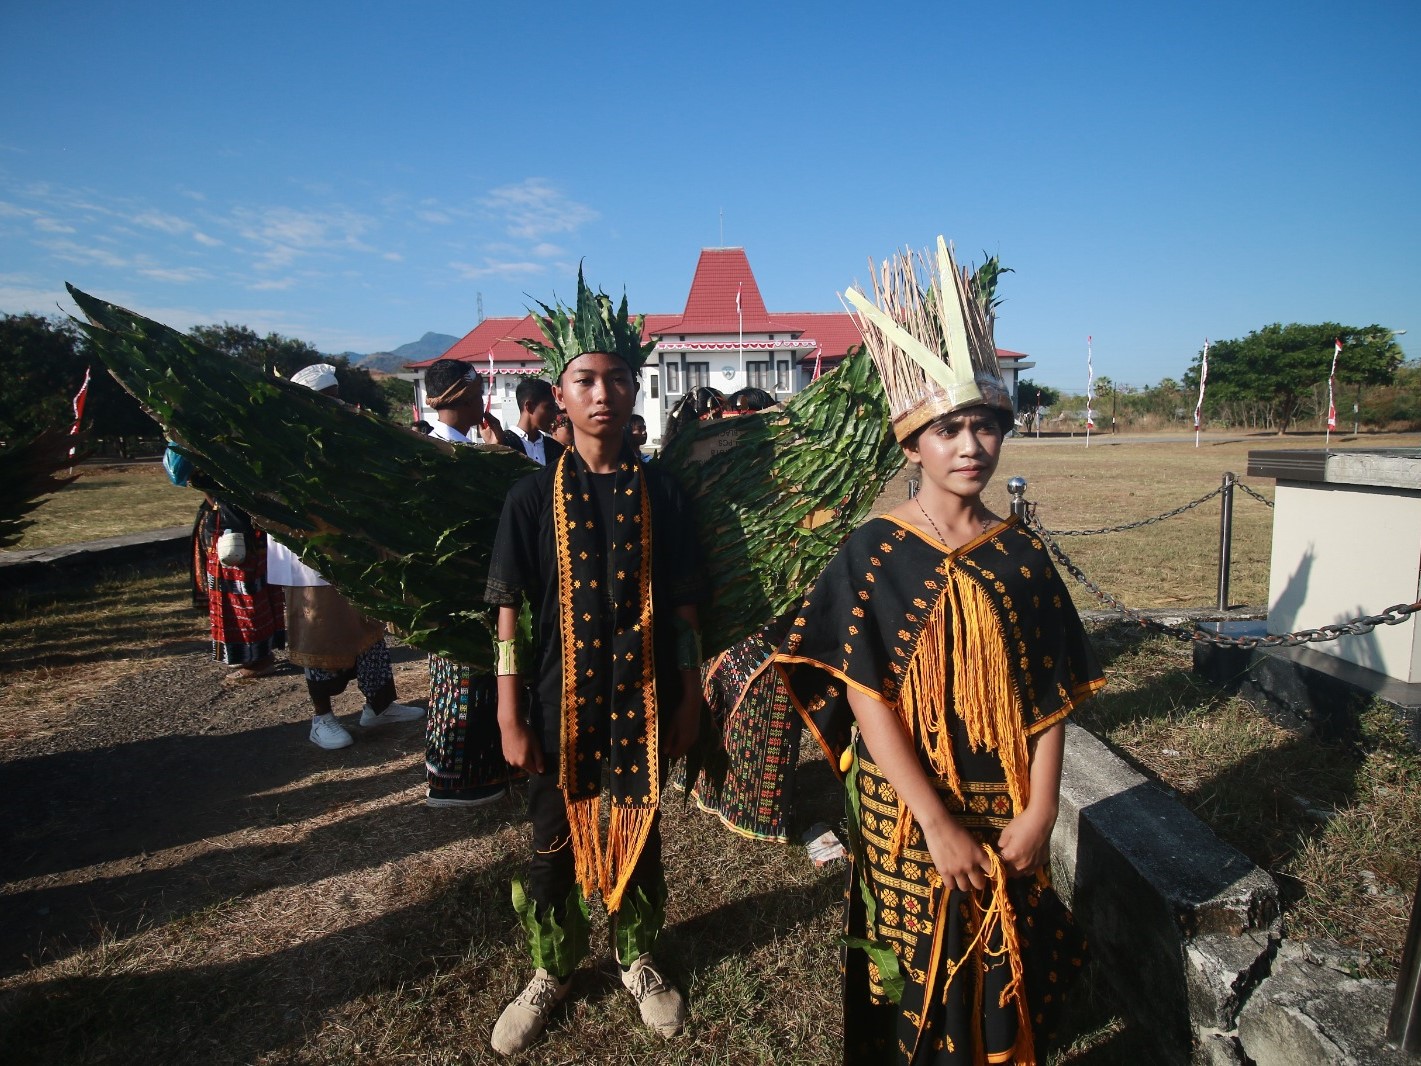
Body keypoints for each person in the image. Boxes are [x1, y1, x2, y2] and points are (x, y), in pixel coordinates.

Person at [773, 240, 1105, 1064]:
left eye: (985, 426)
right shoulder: (873, 552)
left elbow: (1049, 696)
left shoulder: (1020, 556)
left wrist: (1041, 809)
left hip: (1007, 807)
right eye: (948, 428)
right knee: (915, 983)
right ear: (910, 444)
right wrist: (932, 821)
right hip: (906, 817)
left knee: (1003, 976)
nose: (969, 446)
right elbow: (864, 697)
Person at [485, 270, 703, 1055]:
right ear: (560, 396)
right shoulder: (528, 498)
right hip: (555, 703)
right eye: (584, 380)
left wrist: (690, 697)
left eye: (616, 379)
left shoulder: (663, 494)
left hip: (644, 698)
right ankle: (551, 968)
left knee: (639, 833)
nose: (601, 394)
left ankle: (636, 957)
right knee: (549, 841)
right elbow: (507, 612)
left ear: (635, 390)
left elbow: (684, 608)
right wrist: (508, 714)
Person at [270, 363, 425, 750]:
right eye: (328, 400)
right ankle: (321, 717)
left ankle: (379, 705)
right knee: (320, 632)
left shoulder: (343, 435)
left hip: (354, 549)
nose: (337, 406)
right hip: (313, 555)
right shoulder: (287, 443)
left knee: (367, 626)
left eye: (337, 399)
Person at [680, 387, 802, 843]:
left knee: (764, 703)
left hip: (771, 608)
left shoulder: (791, 475)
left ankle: (754, 806)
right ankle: (716, 788)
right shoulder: (712, 471)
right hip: (728, 607)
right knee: (724, 698)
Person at [420, 358, 518, 806]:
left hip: (465, 584)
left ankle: (472, 772)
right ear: (461, 398)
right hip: (460, 587)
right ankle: (458, 781)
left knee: (468, 679)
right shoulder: (443, 453)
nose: (484, 404)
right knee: (463, 679)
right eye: (479, 396)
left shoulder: (458, 447)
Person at [165, 444, 285, 680]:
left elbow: (228, 504)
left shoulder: (223, 471)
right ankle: (258, 655)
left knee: (241, 601)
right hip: (239, 541)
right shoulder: (228, 464)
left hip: (236, 545)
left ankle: (257, 659)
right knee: (246, 598)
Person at [499, 376, 565, 467]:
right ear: (529, 407)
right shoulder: (503, 445)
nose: (554, 415)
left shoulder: (556, 448)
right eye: (549, 408)